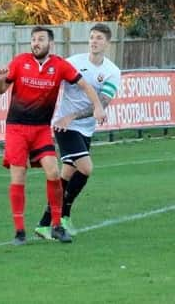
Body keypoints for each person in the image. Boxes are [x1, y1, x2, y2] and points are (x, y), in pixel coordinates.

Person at [0, 26, 106, 245]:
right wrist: (0, 79)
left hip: (41, 130)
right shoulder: (19, 61)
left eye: (41, 39)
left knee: (54, 172)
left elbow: (85, 85)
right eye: (33, 39)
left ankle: (55, 225)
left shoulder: (60, 65)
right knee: (18, 177)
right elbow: (0, 90)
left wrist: (97, 106)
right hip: (16, 128)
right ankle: (19, 231)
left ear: (50, 44)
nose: (36, 42)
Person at [34, 24, 121, 239]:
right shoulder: (73, 63)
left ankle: (45, 224)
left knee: (66, 175)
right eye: (92, 37)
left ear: (107, 43)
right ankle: (62, 216)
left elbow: (101, 103)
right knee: (86, 168)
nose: (94, 41)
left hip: (85, 128)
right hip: (65, 126)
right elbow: (51, 81)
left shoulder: (112, 72)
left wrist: (74, 115)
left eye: (99, 38)